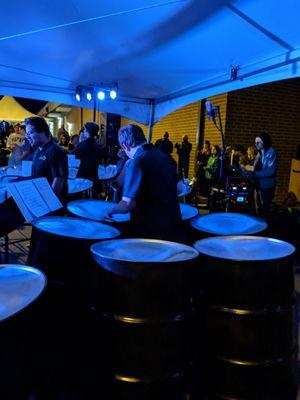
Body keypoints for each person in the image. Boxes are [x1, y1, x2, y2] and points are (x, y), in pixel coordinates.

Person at [106, 124, 183, 242]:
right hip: (173, 227)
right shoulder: (164, 156)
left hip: (149, 232)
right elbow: (179, 189)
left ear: (125, 146)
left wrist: (109, 211)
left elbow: (127, 205)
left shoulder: (137, 162)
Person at [25, 117, 68, 201]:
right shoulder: (38, 149)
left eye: (30, 133)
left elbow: (58, 180)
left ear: (42, 131)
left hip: (50, 205)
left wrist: (48, 203)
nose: (28, 137)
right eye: (27, 134)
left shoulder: (55, 150)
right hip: (39, 199)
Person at [254, 132, 278, 220]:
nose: (256, 144)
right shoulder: (259, 153)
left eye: (258, 142)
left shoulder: (271, 152)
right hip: (258, 185)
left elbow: (271, 171)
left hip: (267, 185)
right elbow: (255, 167)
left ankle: (267, 228)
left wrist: (255, 174)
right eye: (255, 142)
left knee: (265, 208)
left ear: (265, 142)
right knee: (259, 208)